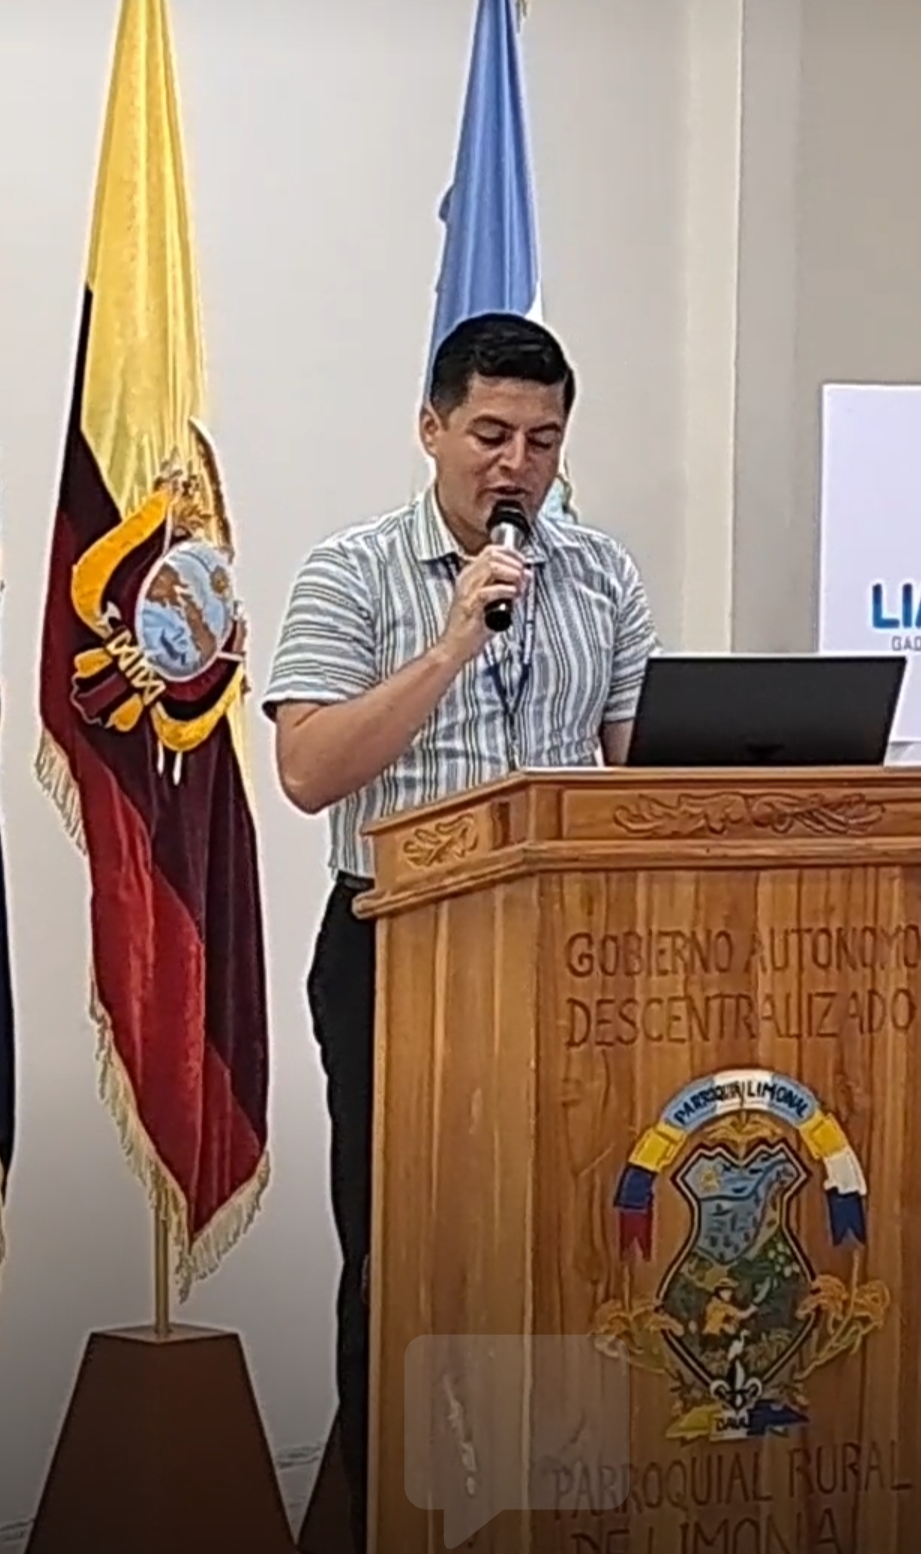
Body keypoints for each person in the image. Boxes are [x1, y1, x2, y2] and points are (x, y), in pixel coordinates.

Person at [263, 311, 658, 1550]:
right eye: (490, 434)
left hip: (572, 961)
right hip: (400, 954)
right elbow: (309, 770)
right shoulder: (351, 570)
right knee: (404, 1258)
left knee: (572, 1242)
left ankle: (550, 1510)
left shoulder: (603, 574)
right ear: (431, 428)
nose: (515, 464)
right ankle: (389, 1515)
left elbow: (639, 775)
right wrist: (448, 643)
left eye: (542, 440)